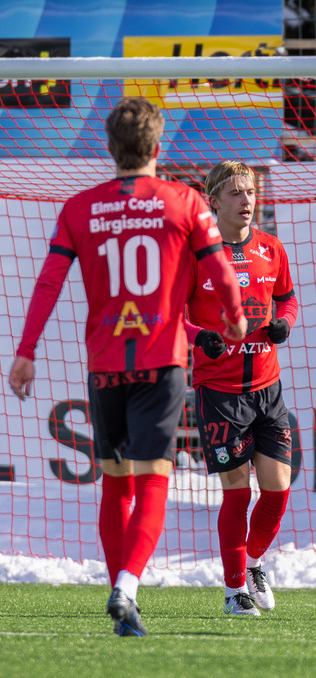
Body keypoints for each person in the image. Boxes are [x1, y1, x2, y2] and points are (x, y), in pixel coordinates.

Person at [8, 98, 247, 637]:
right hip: (162, 362)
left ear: (110, 147)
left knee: (115, 484)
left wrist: (26, 351)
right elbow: (220, 271)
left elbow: (48, 282)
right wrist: (234, 317)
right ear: (158, 146)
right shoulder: (185, 201)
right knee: (154, 478)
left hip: (106, 366)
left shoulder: (79, 208)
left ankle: (122, 601)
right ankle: (128, 586)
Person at [184, 160, 298, 618]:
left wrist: (284, 323)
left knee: (278, 488)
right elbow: (173, 313)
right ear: (213, 201)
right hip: (220, 391)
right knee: (237, 491)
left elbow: (287, 299)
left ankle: (252, 563)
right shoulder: (195, 253)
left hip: (268, 387)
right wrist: (199, 337)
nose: (247, 200)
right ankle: (234, 592)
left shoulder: (271, 247)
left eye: (250, 192)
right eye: (235, 193)